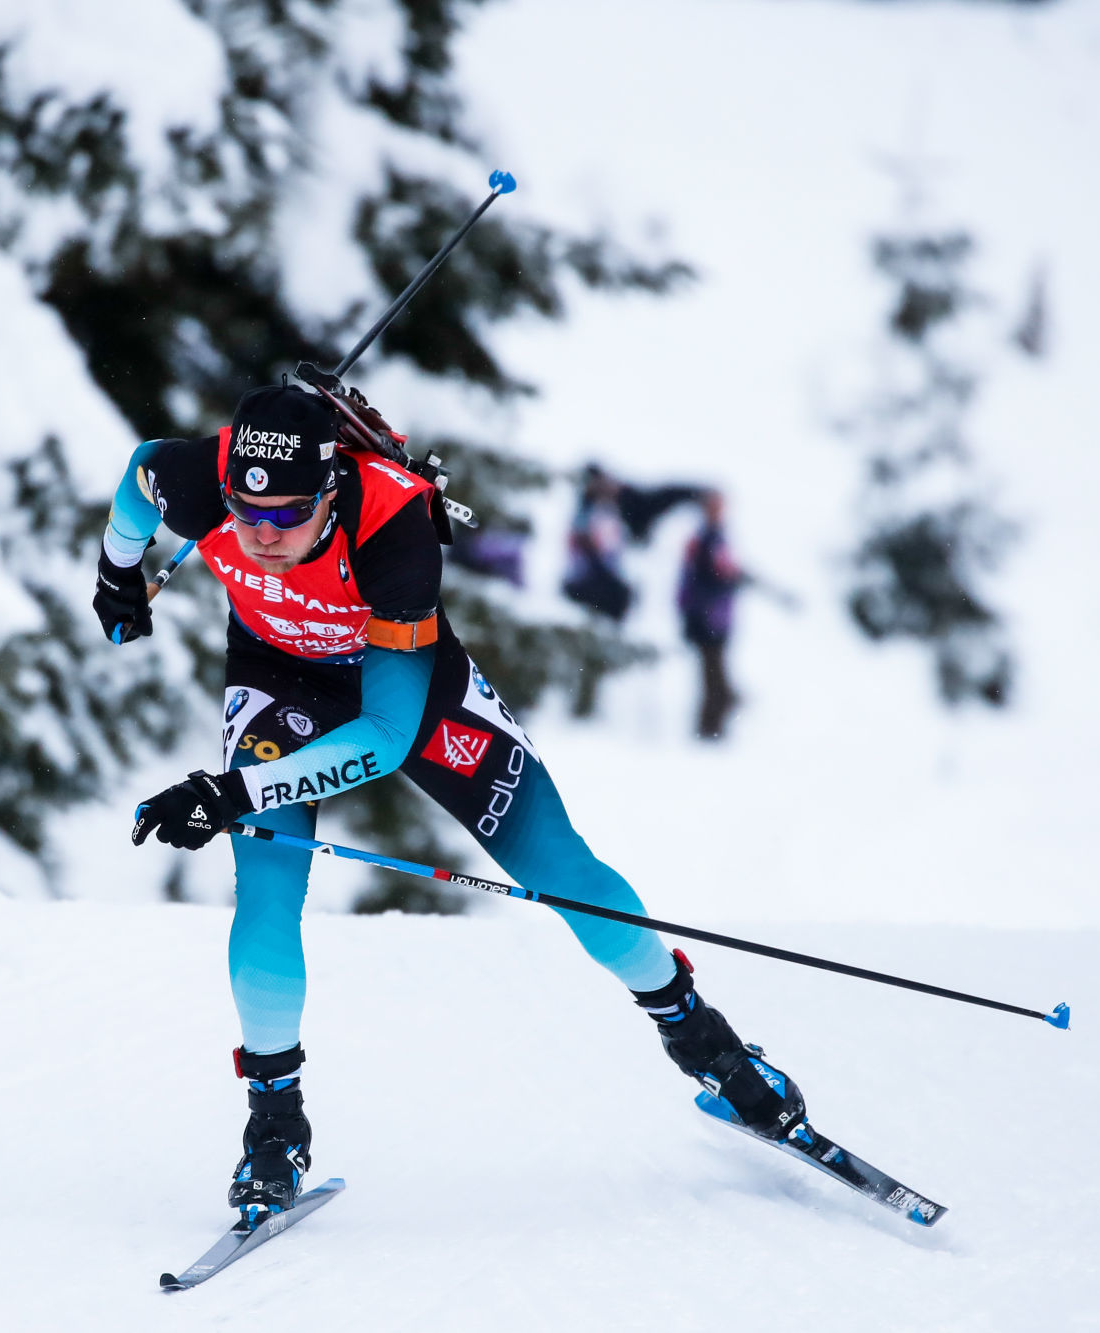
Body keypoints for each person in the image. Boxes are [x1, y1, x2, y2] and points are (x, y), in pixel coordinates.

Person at [94, 384, 804, 1227]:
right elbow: (141, 479)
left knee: (560, 868)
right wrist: (116, 570)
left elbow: (385, 735)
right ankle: (275, 1126)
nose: (263, 534)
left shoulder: (393, 527)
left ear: (329, 490)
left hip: (409, 690)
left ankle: (704, 1042)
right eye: (247, 512)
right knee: (267, 901)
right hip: (275, 677)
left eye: (287, 514)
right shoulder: (200, 476)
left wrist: (227, 793)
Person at [559, 463, 705, 624]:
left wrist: (696, 494)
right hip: (590, 590)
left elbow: (659, 499)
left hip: (613, 588)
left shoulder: (623, 504)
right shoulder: (585, 517)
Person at [677, 490, 743, 740]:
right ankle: (709, 730)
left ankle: (712, 728)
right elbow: (697, 581)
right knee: (713, 679)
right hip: (705, 617)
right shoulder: (703, 541)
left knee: (715, 676)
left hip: (717, 617)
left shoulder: (716, 539)